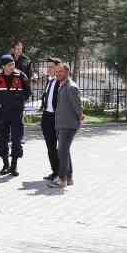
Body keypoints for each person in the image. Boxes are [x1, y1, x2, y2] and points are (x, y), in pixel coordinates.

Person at [0, 53, 31, 177]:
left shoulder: (21, 75)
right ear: (3, 66)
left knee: (16, 139)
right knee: (2, 139)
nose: (12, 66)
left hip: (16, 113)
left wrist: (20, 102)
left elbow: (28, 91)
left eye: (13, 64)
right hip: (2, 114)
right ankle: (5, 164)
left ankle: (14, 166)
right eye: (9, 65)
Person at [49, 60, 83, 189]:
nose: (58, 74)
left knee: (62, 152)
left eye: (60, 72)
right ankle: (69, 178)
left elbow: (77, 106)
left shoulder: (71, 87)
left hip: (68, 125)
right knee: (64, 151)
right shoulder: (62, 85)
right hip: (61, 124)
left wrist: (80, 118)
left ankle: (62, 179)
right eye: (56, 72)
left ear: (67, 72)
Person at [38, 57, 62, 183]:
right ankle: (55, 171)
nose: (48, 69)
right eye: (48, 67)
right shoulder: (50, 81)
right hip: (47, 116)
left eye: (51, 67)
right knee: (50, 147)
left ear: (58, 68)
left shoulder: (61, 82)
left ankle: (63, 174)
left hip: (57, 118)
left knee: (61, 147)